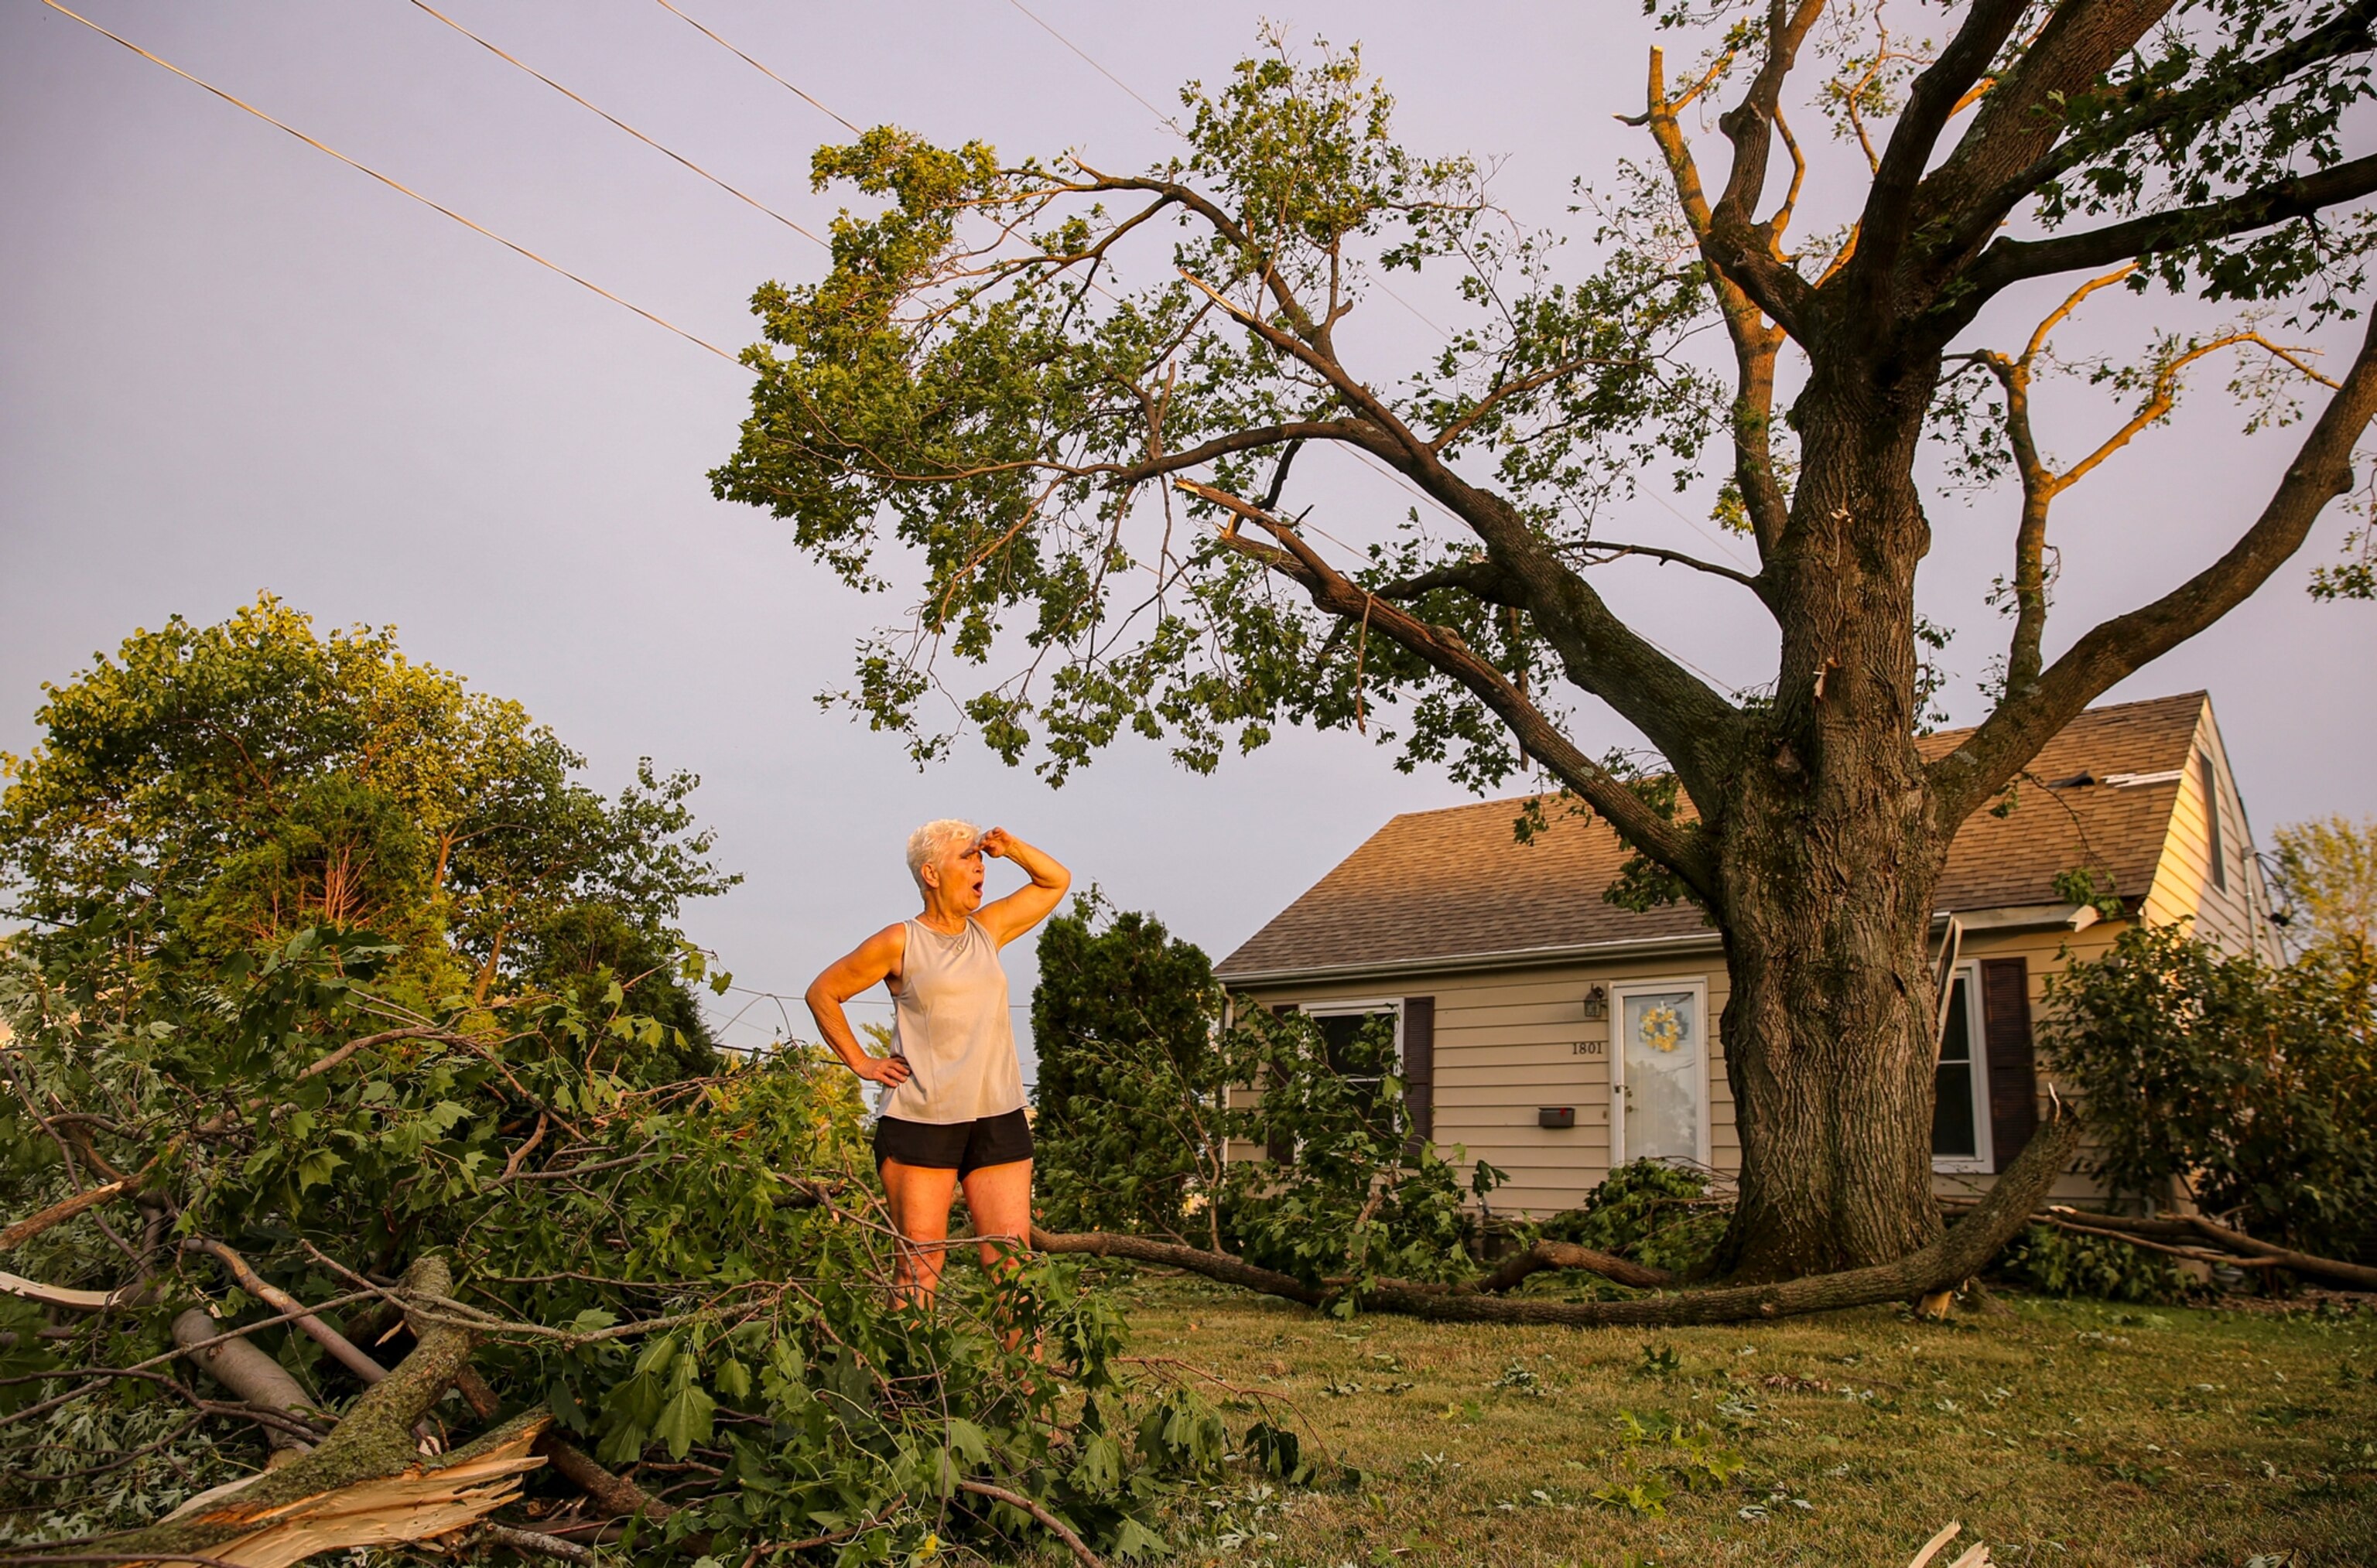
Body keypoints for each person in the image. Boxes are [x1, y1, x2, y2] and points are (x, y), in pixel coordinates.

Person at [805, 821, 1070, 1300]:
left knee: (1013, 1265)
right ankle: (912, 1376)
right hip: (920, 1119)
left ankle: (1025, 1380)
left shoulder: (987, 930)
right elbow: (824, 992)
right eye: (966, 857)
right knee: (919, 1267)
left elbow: (1055, 880)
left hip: (998, 1115)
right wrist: (860, 1062)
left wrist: (1011, 849)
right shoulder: (899, 941)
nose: (979, 864)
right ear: (931, 873)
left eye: (980, 858)